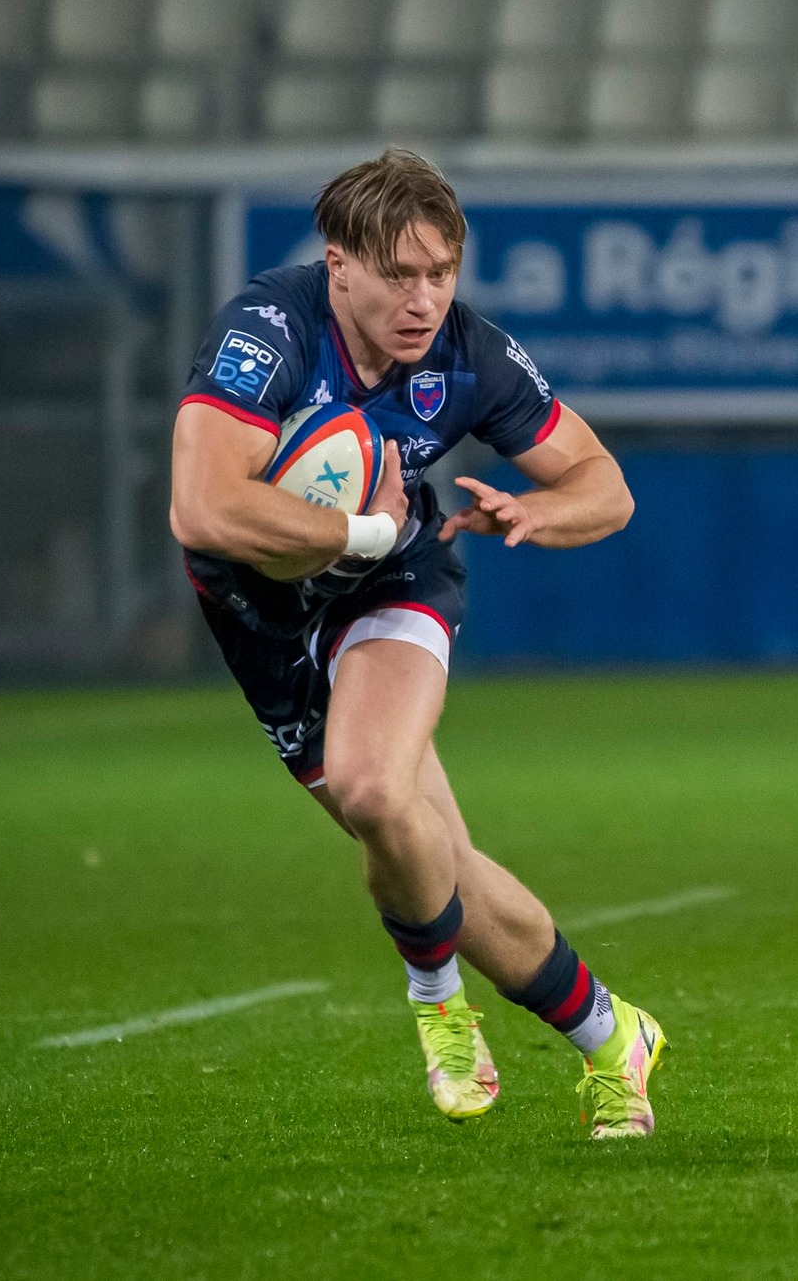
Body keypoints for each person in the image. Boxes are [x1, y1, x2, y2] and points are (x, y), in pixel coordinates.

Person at [169, 148, 663, 1139]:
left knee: (371, 785)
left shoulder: (469, 354)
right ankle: (615, 1035)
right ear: (339, 263)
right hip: (265, 619)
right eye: (400, 273)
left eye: (441, 272)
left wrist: (537, 511)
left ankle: (437, 1002)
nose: (424, 297)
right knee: (438, 860)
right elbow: (203, 508)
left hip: (395, 581)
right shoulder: (267, 330)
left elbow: (606, 486)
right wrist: (358, 528)